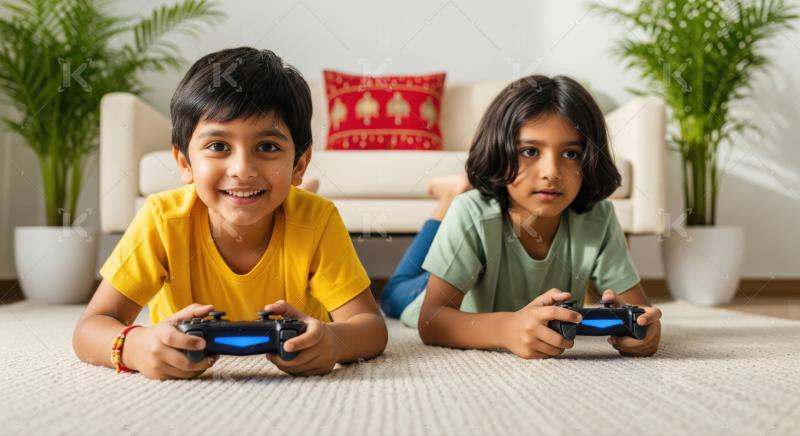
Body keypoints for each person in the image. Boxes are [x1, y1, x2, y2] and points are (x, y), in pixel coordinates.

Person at [73, 47, 387, 379]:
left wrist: (334, 341)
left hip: (299, 208)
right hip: (276, 196)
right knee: (282, 197)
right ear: (184, 163)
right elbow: (89, 329)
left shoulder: (318, 220)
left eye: (267, 147)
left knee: (302, 208)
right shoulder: (162, 219)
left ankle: (299, 192)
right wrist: (136, 347)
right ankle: (292, 189)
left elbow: (372, 328)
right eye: (219, 146)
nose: (242, 169)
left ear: (299, 164)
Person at [380, 75, 661, 359]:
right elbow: (431, 321)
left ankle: (454, 193)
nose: (551, 172)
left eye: (571, 153)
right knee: (394, 292)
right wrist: (507, 328)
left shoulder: (599, 218)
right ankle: (448, 197)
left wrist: (646, 330)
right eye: (530, 151)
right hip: (416, 294)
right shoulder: (472, 213)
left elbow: (641, 311)